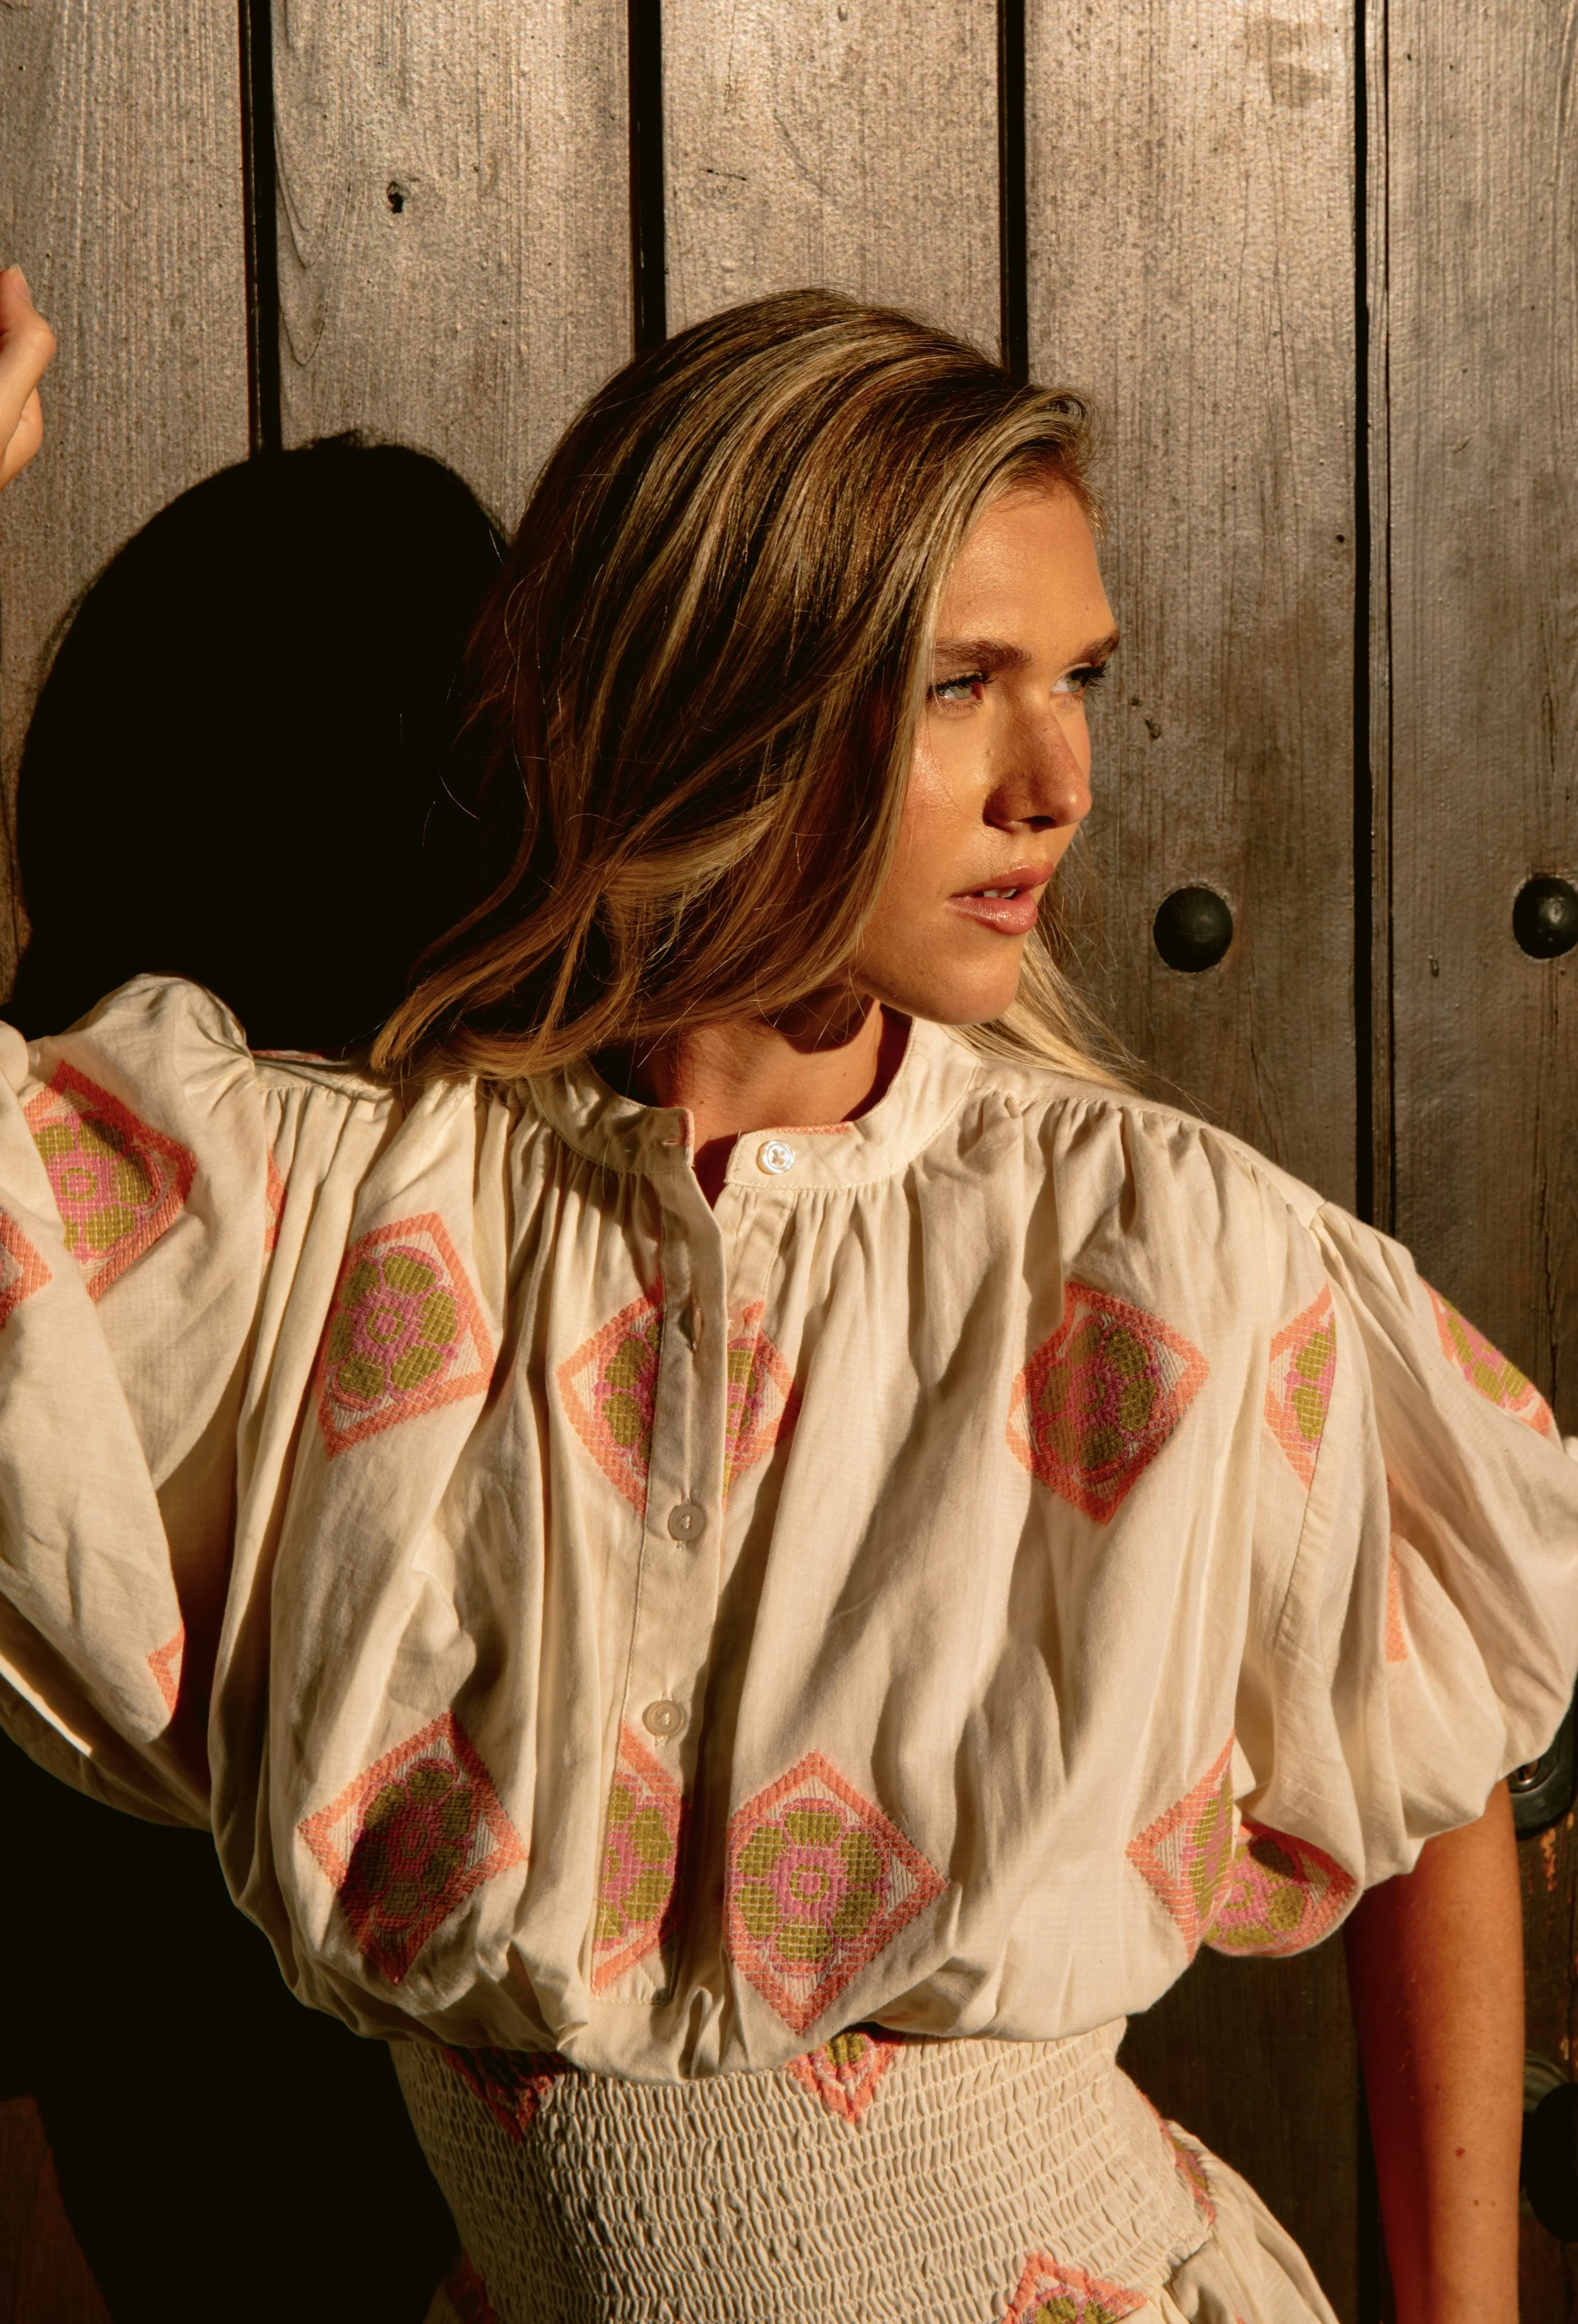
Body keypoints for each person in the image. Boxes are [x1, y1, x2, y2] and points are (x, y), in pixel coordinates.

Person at [0, 259, 1572, 2324]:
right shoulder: (336, 1219)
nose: (1058, 778)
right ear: (716, 688)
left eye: (1077, 676)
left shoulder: (1173, 1248)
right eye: (958, 682)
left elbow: (1434, 1784)